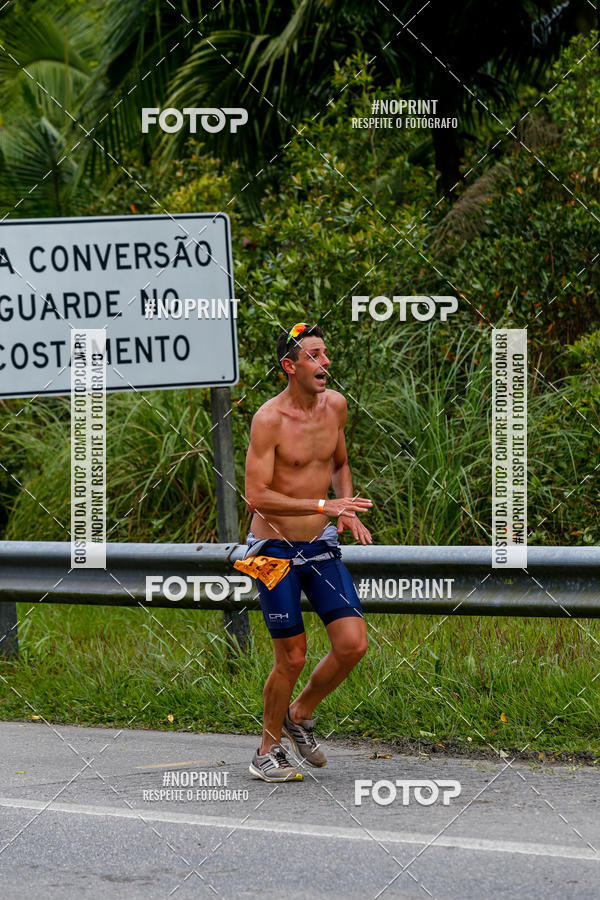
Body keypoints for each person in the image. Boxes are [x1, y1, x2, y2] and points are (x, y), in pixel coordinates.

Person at [244, 322, 373, 783]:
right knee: (292, 658)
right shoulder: (269, 419)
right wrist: (324, 503)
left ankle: (300, 714)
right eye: (314, 355)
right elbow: (256, 495)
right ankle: (266, 750)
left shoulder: (335, 406)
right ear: (290, 365)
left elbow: (338, 463)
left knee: (352, 643)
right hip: (272, 549)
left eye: (326, 354)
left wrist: (345, 509)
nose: (325, 363)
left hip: (320, 545)